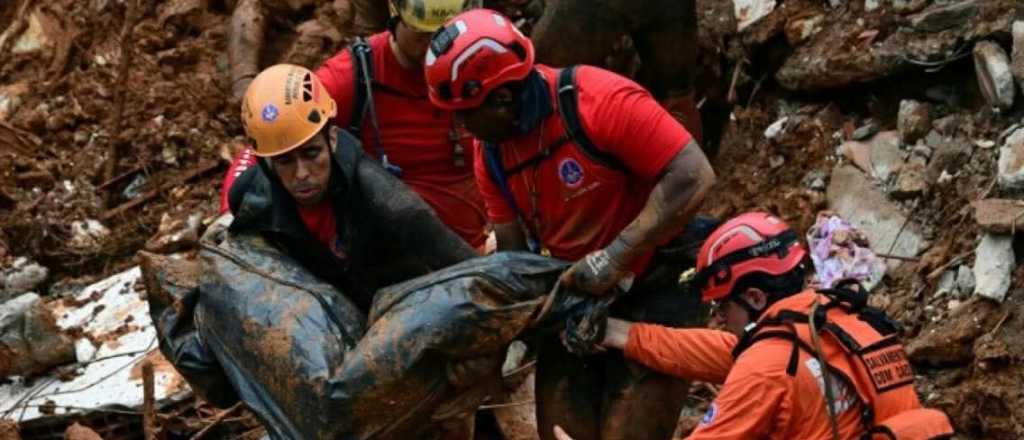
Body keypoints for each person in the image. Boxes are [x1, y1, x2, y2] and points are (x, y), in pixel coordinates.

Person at [424, 9, 717, 440]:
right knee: (564, 433)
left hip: (658, 277)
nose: (459, 126)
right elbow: (512, 256)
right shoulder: (491, 153)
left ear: (502, 99)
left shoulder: (598, 102)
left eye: (465, 113)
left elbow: (694, 174)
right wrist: (498, 344)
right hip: (575, 292)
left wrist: (616, 257)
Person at [555, 212, 955, 440]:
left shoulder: (767, 370)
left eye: (722, 305)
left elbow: (756, 371)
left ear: (756, 299)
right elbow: (719, 351)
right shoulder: (843, 323)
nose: (718, 317)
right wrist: (618, 333)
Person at [228, 63, 477, 312]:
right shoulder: (250, 199)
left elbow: (467, 266)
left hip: (399, 310)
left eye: (312, 153)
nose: (302, 174)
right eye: (285, 161)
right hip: (315, 319)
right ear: (267, 163)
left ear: (332, 139)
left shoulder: (385, 199)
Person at [314, 0, 490, 249]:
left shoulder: (481, 62)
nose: (435, 45)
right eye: (422, 32)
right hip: (393, 265)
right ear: (396, 18)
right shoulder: (350, 80)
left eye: (446, 33)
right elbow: (274, 133)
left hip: (477, 255)